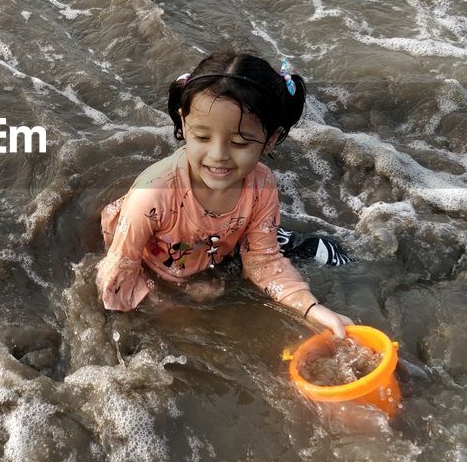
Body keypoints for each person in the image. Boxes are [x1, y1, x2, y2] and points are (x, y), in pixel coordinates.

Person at [96, 50, 354, 338]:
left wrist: (312, 309)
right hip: (148, 259)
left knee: (326, 255)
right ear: (183, 124)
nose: (218, 156)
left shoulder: (261, 185)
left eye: (240, 142)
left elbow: (264, 262)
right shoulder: (153, 194)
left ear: (269, 140)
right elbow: (116, 272)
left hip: (211, 247)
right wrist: (167, 306)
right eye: (202, 137)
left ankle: (269, 239)